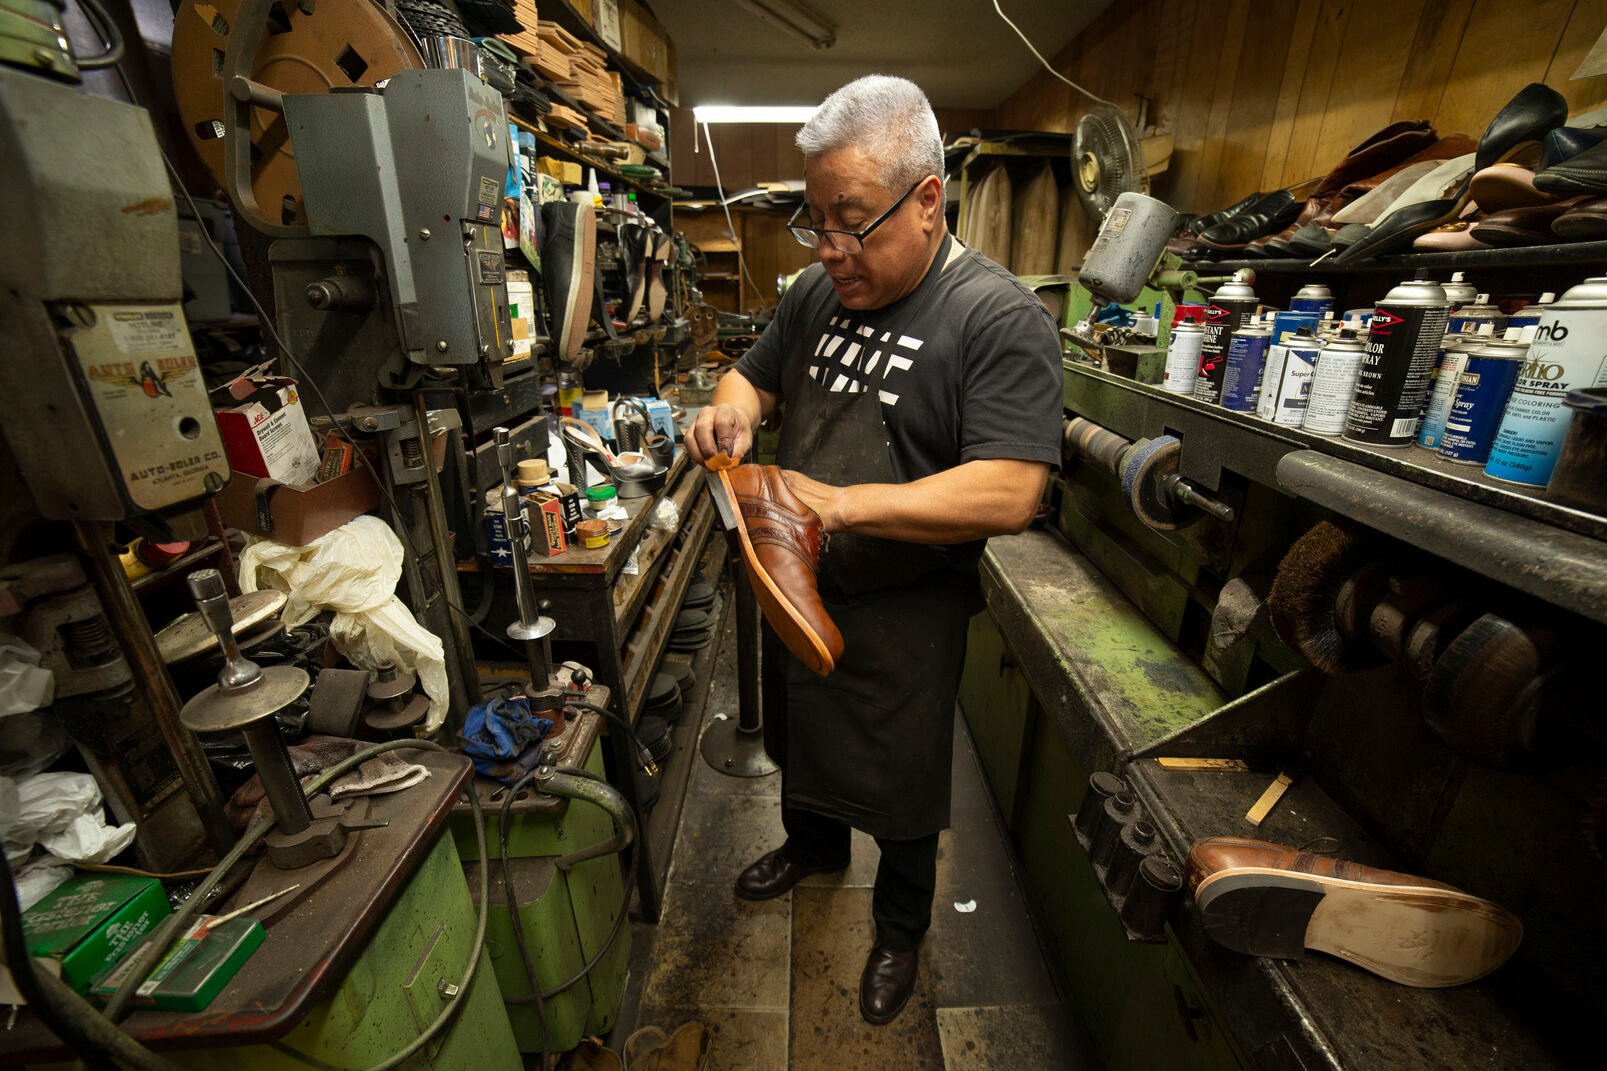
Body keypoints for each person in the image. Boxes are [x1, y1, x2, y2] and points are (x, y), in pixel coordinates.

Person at [683, 74, 1063, 1025]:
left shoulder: (997, 318)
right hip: (796, 569)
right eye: (815, 222)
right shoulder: (816, 293)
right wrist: (728, 411)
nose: (830, 249)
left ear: (926, 200)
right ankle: (811, 847)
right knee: (801, 729)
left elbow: (1013, 488)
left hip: (906, 603)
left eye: (850, 221)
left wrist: (843, 505)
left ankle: (899, 930)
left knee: (902, 783)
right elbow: (751, 378)